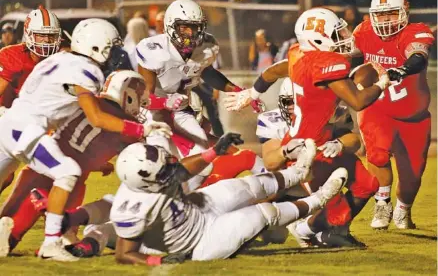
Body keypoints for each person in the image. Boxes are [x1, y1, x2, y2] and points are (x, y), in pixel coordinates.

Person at [0, 18, 171, 261]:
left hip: (8, 124)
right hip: (27, 130)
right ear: (97, 46)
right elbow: (97, 117)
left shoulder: (58, 58)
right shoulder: (87, 70)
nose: (114, 53)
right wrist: (141, 130)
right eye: (110, 47)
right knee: (68, 171)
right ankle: (50, 243)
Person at [225, 7, 391, 245]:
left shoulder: (298, 54)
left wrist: (253, 91)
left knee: (368, 184)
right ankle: (304, 228)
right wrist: (382, 84)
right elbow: (358, 101)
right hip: (308, 149)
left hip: (322, 140)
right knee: (338, 213)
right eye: (335, 34)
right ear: (317, 39)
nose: (342, 38)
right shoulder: (326, 64)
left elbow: (272, 71)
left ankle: (333, 232)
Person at [62, 134, 347, 262]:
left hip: (197, 208)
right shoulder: (131, 209)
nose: (168, 170)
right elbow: (125, 254)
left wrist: (215, 151)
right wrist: (157, 264)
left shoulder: (150, 177)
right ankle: (319, 199)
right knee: (264, 214)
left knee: (247, 186)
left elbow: (184, 168)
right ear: (144, 180)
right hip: (200, 243)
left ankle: (299, 171)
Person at [0, 70, 151, 256]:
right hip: (69, 182)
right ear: (127, 93)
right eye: (139, 97)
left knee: (8, 234)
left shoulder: (85, 103)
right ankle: (59, 233)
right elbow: (140, 157)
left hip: (39, 169)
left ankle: (52, 230)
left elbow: (78, 142)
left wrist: (100, 164)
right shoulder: (124, 123)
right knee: (59, 237)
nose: (141, 104)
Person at [136, 0, 263, 190]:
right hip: (153, 113)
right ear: (171, 26)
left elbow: (207, 72)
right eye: (185, 28)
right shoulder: (154, 49)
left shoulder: (206, 47)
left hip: (181, 111)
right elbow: (144, 99)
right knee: (159, 158)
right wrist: (165, 101)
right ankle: (148, 201)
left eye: (196, 28)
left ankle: (187, 197)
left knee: (205, 159)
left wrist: (239, 91)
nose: (191, 34)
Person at [351, 0, 435, 229]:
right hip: (378, 108)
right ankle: (382, 201)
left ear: (404, 12)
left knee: (412, 178)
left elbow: (418, 56)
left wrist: (403, 69)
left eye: (390, 14)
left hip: (414, 116)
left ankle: (403, 209)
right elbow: (346, 52)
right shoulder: (364, 31)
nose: (385, 20)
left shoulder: (416, 32)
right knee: (376, 154)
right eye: (381, 14)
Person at [0, 6, 61, 110]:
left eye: (51, 35)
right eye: (41, 35)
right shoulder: (13, 56)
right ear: (29, 34)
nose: (47, 40)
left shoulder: (60, 57)